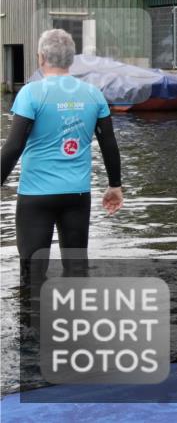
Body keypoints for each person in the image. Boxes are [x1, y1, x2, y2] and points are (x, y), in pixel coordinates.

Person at [1, 29, 123, 284]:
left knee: (32, 276)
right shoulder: (93, 94)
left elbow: (13, 148)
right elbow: (109, 144)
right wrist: (114, 186)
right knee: (76, 271)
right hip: (77, 195)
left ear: (41, 57)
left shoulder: (30, 93)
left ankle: (31, 323)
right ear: (71, 59)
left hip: (36, 196)